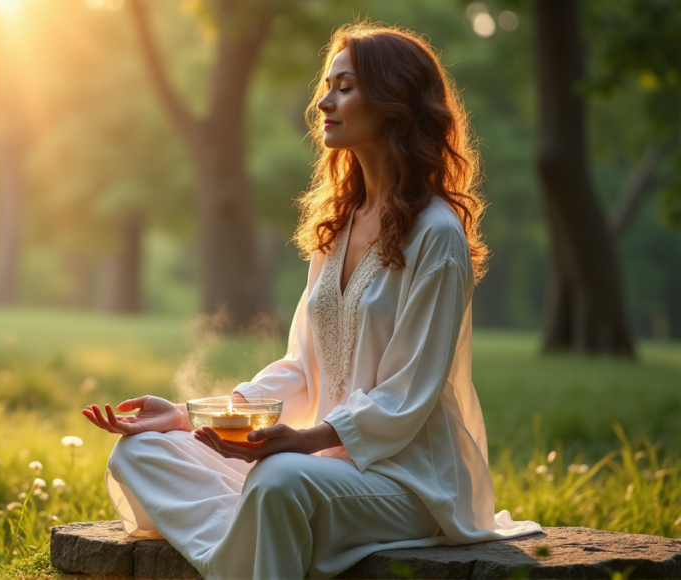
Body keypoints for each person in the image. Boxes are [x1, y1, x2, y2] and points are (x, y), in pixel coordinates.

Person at [82, 22, 541, 579]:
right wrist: (187, 416)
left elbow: (407, 394)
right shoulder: (339, 226)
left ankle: (248, 542)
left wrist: (304, 442)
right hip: (323, 469)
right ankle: (254, 544)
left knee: (279, 479)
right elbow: (301, 367)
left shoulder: (436, 235)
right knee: (142, 453)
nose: (324, 100)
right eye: (328, 85)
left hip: (409, 483)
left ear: (394, 102)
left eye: (344, 86)